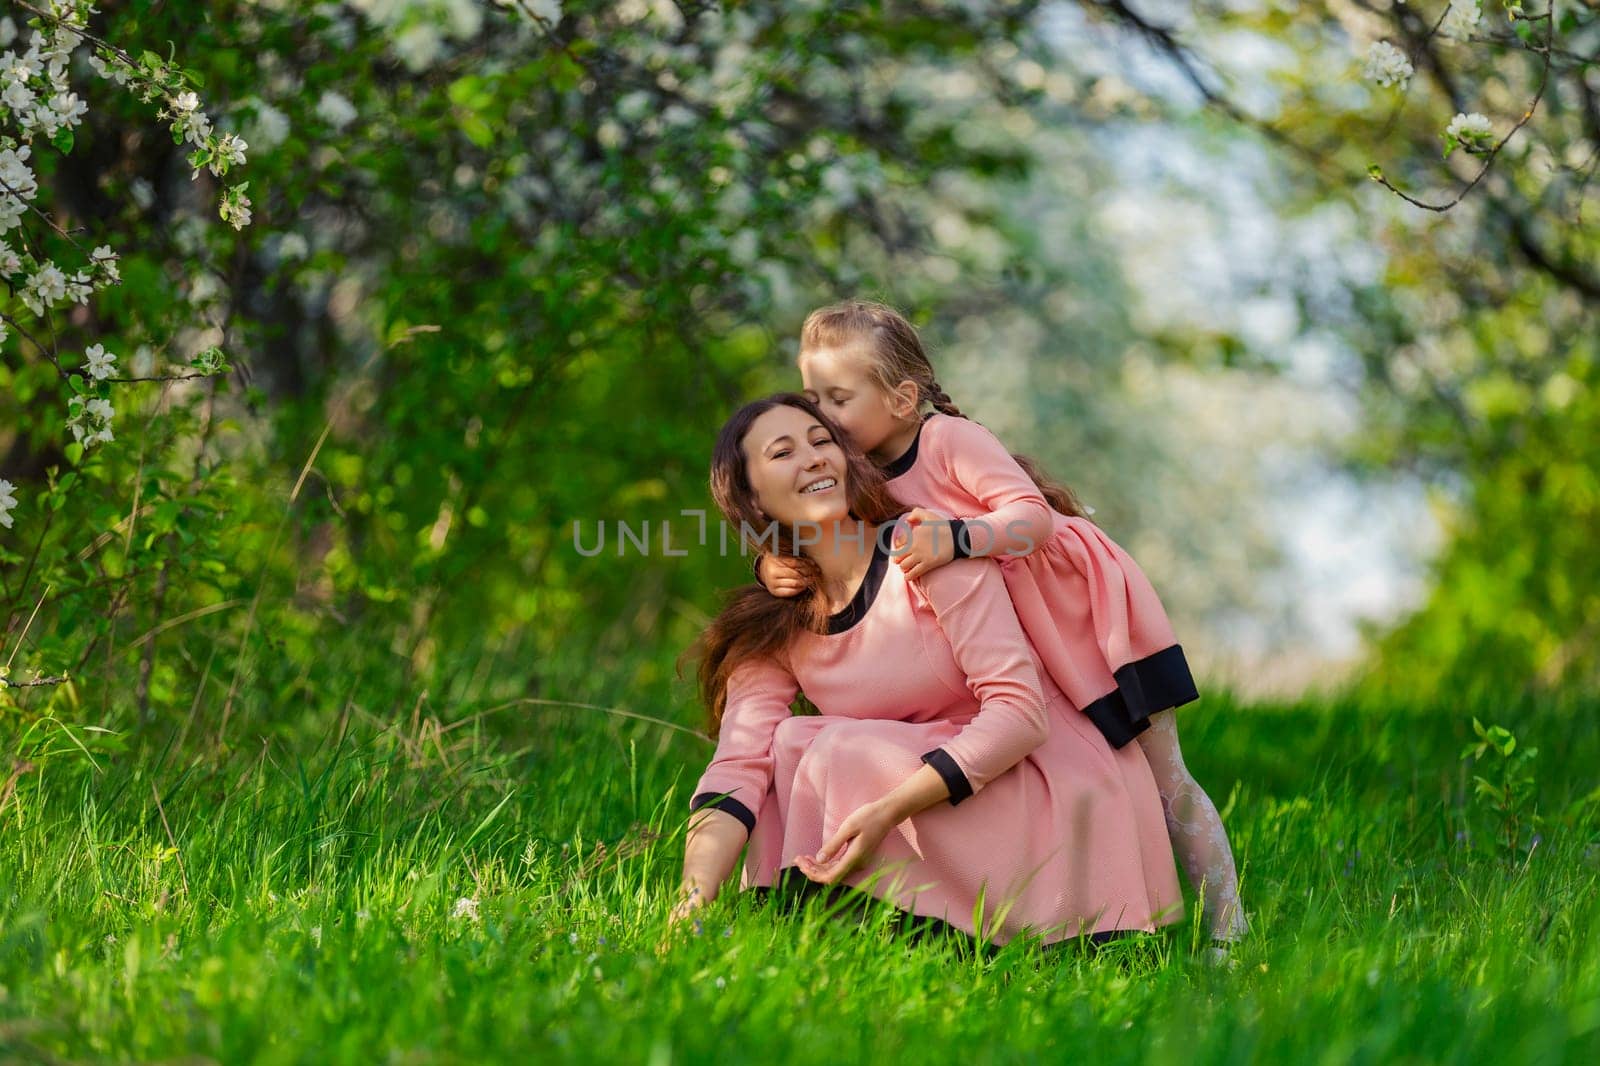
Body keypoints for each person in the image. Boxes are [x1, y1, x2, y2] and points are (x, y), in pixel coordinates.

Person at [753, 300, 1248, 944]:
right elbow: (830, 534)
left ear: (903, 399)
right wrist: (775, 561)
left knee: (1162, 775)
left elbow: (1031, 516)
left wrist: (959, 538)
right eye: (812, 396)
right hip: (1014, 623)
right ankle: (1078, 884)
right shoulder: (860, 469)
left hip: (1077, 612)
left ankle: (1226, 931)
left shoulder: (948, 440)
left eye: (837, 398)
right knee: (1061, 745)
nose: (821, 416)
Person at [672, 394, 1180, 946]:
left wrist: (888, 810)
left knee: (828, 749)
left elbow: (1019, 716)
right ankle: (798, 926)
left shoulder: (928, 552)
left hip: (1036, 792)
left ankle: (947, 934)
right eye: (783, 452)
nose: (814, 458)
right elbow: (738, 765)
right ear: (752, 496)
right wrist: (692, 901)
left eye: (823, 442)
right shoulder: (772, 621)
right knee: (788, 743)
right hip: (929, 804)